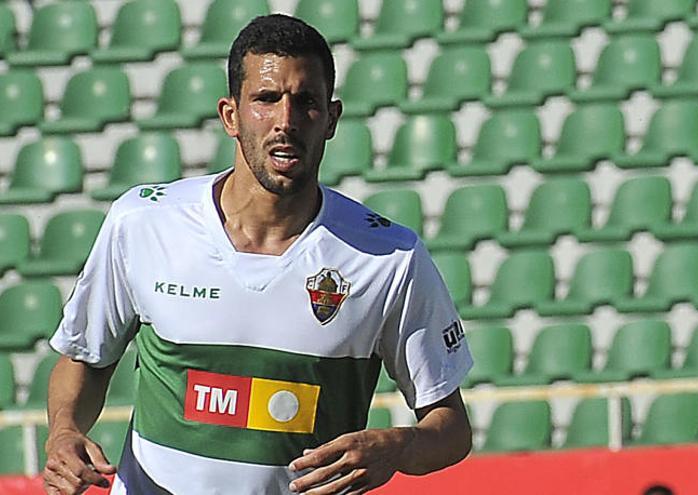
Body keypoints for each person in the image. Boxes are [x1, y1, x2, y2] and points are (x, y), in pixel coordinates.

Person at [42, 14, 473, 495]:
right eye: (266, 100)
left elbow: (450, 426)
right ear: (231, 115)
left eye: (305, 102)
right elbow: (85, 358)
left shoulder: (389, 257)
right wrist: (63, 431)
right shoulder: (143, 222)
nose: (285, 121)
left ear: (331, 119)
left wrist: (398, 446)